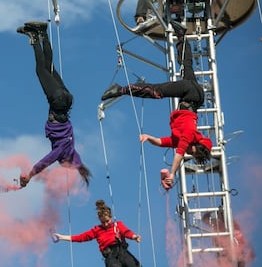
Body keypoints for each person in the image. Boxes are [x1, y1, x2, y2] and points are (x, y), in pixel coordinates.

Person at [101, 21, 212, 190]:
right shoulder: (189, 136)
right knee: (157, 91)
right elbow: (179, 154)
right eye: (191, 151)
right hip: (190, 96)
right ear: (195, 145)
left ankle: (181, 35)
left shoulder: (182, 139)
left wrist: (148, 137)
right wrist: (172, 173)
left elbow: (163, 142)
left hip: (194, 97)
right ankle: (121, 89)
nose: (188, 152)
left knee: (185, 65)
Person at [16, 21, 91, 188]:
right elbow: (46, 161)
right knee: (40, 70)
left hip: (67, 100)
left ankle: (42, 33)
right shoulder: (63, 152)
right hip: (57, 102)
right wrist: (30, 175)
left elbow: (78, 163)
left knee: (49, 68)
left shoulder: (73, 152)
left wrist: (81, 171)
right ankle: (35, 37)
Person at [54, 200, 141, 267]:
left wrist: (134, 237)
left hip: (123, 252)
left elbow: (126, 232)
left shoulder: (117, 225)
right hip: (110, 256)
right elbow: (81, 237)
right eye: (103, 222)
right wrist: (62, 237)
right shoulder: (97, 230)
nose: (106, 224)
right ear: (99, 220)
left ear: (111, 217)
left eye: (107, 221)